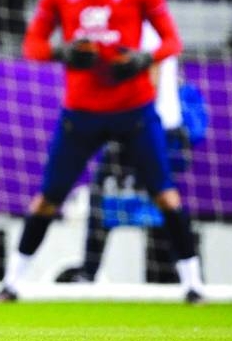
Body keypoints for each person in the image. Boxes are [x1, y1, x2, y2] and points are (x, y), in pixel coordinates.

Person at [0, 0, 206, 304]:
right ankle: (12, 284)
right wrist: (63, 52)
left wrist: (145, 57)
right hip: (81, 114)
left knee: (165, 195)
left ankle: (193, 285)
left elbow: (173, 40)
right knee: (48, 198)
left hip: (136, 111)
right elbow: (32, 45)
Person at [70, 21, 193, 283]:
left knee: (107, 195)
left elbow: (153, 73)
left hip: (146, 126)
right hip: (159, 126)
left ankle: (89, 273)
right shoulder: (157, 27)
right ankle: (188, 274)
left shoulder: (142, 28)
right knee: (162, 201)